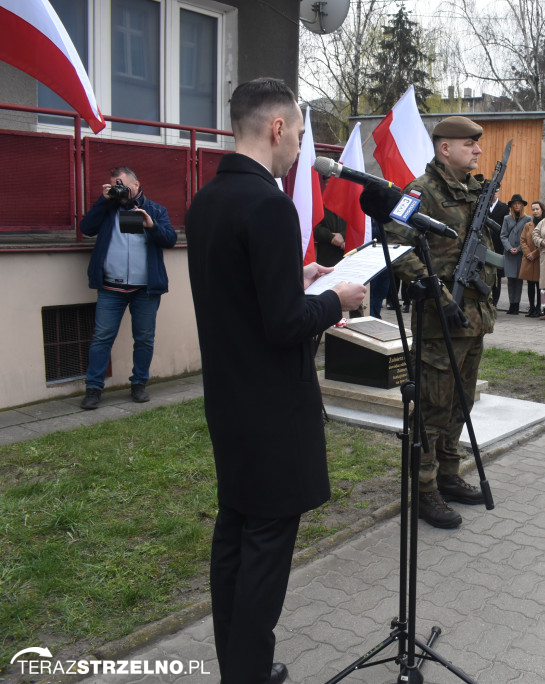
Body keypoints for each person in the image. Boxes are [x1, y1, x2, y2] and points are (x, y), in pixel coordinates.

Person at [185, 77, 367, 684]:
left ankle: (238, 664)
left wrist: (298, 270)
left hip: (229, 400)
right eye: (296, 135)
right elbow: (284, 323)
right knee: (265, 549)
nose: (297, 153)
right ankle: (248, 672)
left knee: (235, 530)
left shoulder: (208, 199)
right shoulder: (267, 204)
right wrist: (336, 298)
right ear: (277, 128)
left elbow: (240, 292)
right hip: (271, 409)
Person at [385, 115, 497, 528]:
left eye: (477, 145)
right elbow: (395, 244)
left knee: (461, 403)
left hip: (473, 318)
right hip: (439, 320)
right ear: (444, 148)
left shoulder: (472, 190)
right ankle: (425, 488)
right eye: (470, 144)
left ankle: (449, 474)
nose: (478, 150)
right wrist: (436, 291)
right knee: (432, 407)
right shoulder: (418, 191)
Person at [79, 166, 177, 409]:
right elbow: (86, 228)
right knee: (102, 338)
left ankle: (139, 384)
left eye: (122, 185)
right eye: (115, 185)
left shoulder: (155, 209)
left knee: (144, 339)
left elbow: (170, 240)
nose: (120, 190)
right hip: (111, 288)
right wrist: (103, 201)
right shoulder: (107, 209)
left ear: (136, 184)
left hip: (145, 289)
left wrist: (151, 225)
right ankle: (93, 389)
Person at [500, 194, 530, 315]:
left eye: (519, 203)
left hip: (520, 253)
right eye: (515, 203)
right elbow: (503, 235)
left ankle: (516, 304)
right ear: (512, 206)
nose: (517, 205)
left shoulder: (528, 219)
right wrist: (509, 247)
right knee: (510, 279)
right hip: (509, 253)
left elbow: (528, 237)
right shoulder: (507, 218)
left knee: (519, 279)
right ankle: (511, 304)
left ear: (522, 205)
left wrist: (518, 248)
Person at [519, 201, 544, 317]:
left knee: (539, 285)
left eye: (537, 209)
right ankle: (532, 308)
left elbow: (544, 242)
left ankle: (539, 308)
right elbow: (523, 240)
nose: (535, 211)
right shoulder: (528, 225)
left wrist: (535, 254)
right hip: (529, 259)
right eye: (533, 209)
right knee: (530, 284)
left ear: (542, 210)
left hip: (539, 259)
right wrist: (528, 253)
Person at [488, 198, 509, 307]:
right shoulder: (484, 204)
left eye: (496, 191)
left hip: (498, 245)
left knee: (497, 276)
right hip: (485, 244)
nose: (494, 194)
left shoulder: (504, 207)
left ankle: (494, 302)